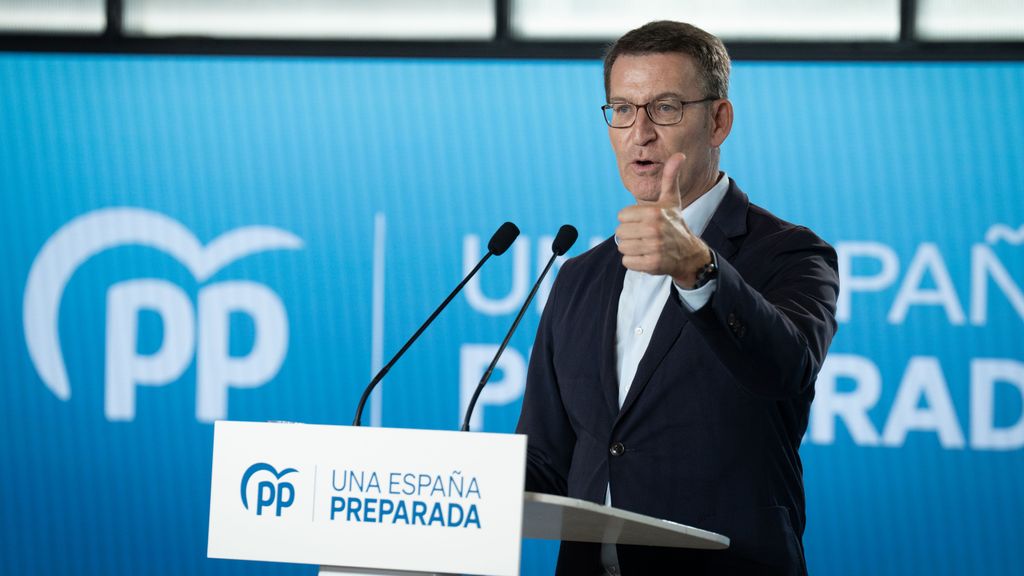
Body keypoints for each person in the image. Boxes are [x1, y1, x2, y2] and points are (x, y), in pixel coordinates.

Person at [515, 20, 839, 575]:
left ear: (718, 121)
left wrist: (698, 267)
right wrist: (452, 483)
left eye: (664, 107)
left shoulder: (789, 255)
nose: (639, 132)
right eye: (621, 108)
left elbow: (787, 368)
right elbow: (548, 458)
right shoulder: (579, 277)